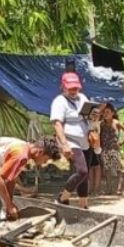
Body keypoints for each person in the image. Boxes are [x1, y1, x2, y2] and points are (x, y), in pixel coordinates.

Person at [50, 72, 92, 208]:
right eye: (71, 88)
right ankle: (63, 197)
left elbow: (89, 116)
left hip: (85, 139)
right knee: (82, 171)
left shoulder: (83, 98)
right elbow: (57, 124)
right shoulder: (59, 101)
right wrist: (64, 144)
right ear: (63, 87)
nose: (74, 91)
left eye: (76, 88)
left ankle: (83, 204)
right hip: (70, 139)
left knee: (85, 174)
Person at [95, 104, 124, 196]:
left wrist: (122, 142)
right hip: (104, 149)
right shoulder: (101, 124)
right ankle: (109, 189)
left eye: (108, 112)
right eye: (104, 112)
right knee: (107, 169)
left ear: (113, 113)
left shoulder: (116, 123)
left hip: (114, 149)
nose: (105, 114)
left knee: (118, 169)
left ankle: (119, 188)